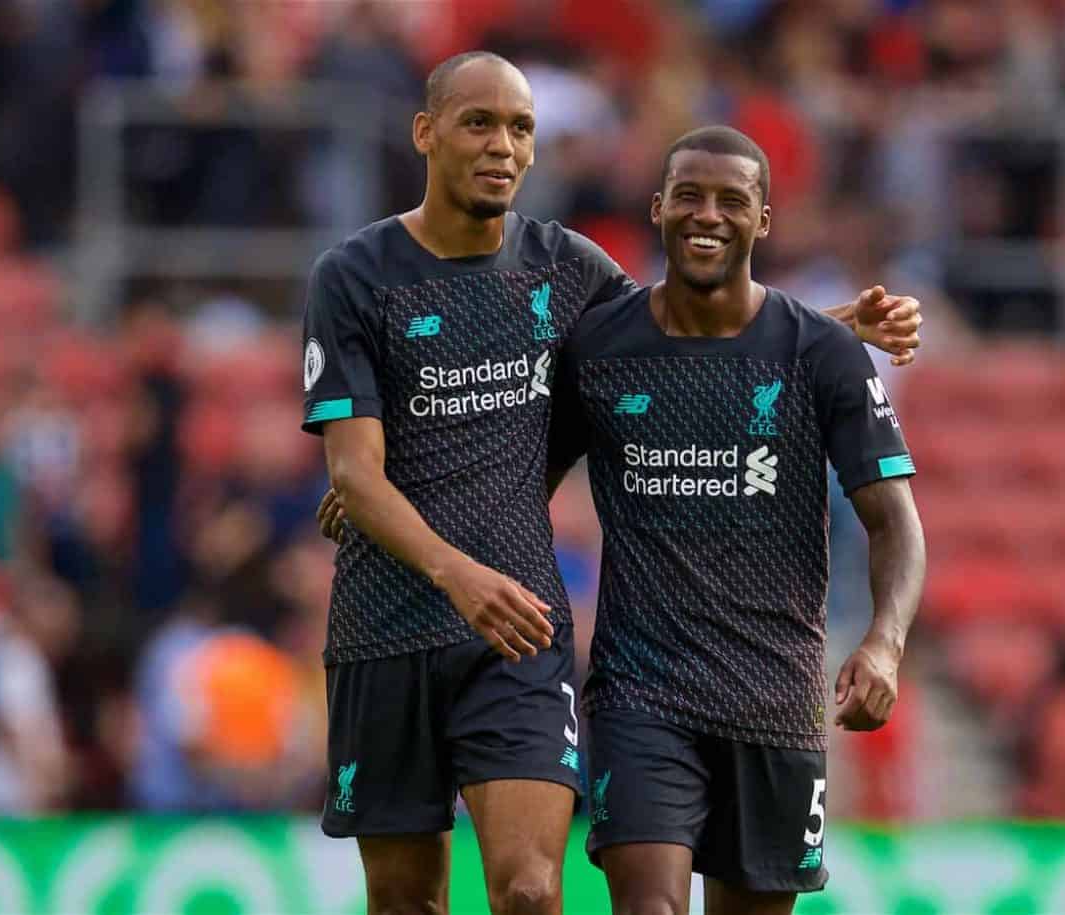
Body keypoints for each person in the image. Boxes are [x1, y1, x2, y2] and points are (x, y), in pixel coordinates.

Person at [303, 51, 922, 915]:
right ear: (425, 133)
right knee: (406, 898)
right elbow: (354, 472)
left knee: (526, 888)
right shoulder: (355, 275)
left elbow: (689, 333)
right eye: (478, 123)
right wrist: (399, 517)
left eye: (520, 128)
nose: (502, 145)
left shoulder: (569, 268)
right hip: (386, 622)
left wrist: (829, 334)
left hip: (516, 627)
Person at [542, 126, 927, 915]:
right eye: (687, 195)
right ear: (656, 209)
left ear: (763, 220)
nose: (705, 214)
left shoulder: (823, 354)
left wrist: (883, 645)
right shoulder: (600, 349)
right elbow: (518, 477)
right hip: (638, 693)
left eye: (730, 200)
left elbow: (895, 522)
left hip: (775, 698)